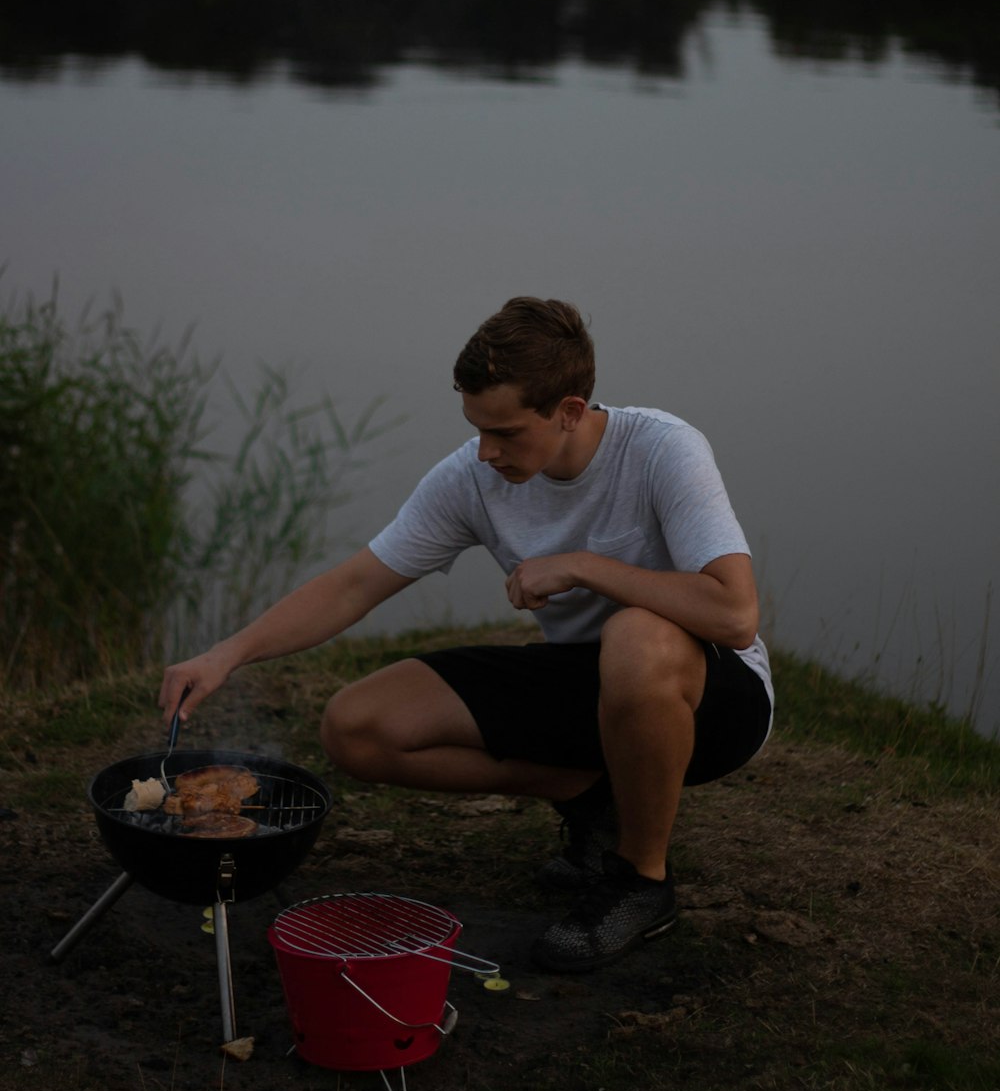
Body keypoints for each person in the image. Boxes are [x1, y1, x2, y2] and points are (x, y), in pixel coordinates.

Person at [160, 297, 773, 973]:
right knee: (357, 726)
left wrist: (584, 566)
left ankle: (641, 882)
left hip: (713, 698)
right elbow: (356, 584)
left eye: (506, 432)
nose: (487, 451)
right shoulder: (473, 478)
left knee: (635, 638)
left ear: (568, 411)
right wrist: (226, 655)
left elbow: (734, 612)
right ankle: (589, 796)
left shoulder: (661, 448)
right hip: (586, 680)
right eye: (477, 429)